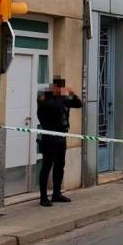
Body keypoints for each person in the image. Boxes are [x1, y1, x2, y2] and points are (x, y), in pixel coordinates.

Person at [36, 77, 82, 207]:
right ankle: (43, 197)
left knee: (59, 165)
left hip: (61, 136)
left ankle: (56, 193)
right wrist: (63, 96)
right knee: (47, 166)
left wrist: (71, 93)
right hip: (49, 137)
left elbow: (78, 104)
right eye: (60, 87)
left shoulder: (63, 98)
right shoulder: (45, 97)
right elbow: (51, 107)